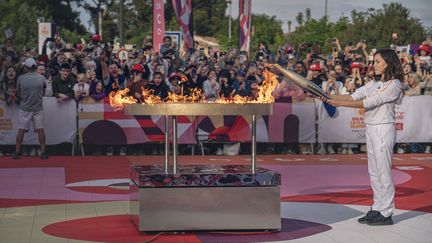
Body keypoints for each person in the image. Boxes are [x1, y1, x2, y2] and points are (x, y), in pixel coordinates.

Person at [327, 49, 403, 225]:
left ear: (388, 63)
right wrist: (328, 96)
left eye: (377, 61)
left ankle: (386, 212)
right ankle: (377, 207)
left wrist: (338, 103)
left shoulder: (394, 84)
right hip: (370, 128)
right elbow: (353, 96)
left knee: (383, 171)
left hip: (383, 129)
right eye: (374, 61)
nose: (374, 65)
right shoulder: (372, 83)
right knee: (374, 171)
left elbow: (368, 102)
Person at [13, 58, 48, 160]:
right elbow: (44, 92)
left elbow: (18, 93)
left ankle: (17, 152)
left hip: (25, 107)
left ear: (26, 67)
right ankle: (43, 153)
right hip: (38, 107)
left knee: (21, 130)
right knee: (40, 129)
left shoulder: (20, 78)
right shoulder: (41, 78)